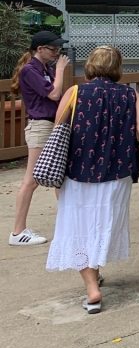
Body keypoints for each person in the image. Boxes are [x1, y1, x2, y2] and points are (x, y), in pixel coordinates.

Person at [45, 46, 139, 314]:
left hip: (77, 169)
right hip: (117, 170)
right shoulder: (131, 95)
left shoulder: (74, 92)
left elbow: (58, 129)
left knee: (77, 225)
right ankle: (95, 275)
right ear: (117, 67)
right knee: (101, 223)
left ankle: (91, 286)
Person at [9, 31, 70, 246]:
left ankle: (68, 224)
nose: (56, 52)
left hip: (50, 125)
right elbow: (53, 94)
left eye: (57, 49)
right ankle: (17, 232)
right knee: (32, 180)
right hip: (40, 126)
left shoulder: (44, 69)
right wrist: (61, 70)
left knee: (57, 176)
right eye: (52, 49)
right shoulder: (30, 70)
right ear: (39, 49)